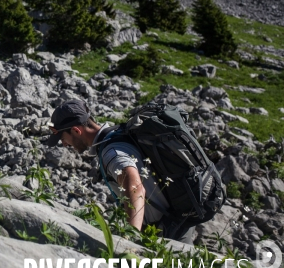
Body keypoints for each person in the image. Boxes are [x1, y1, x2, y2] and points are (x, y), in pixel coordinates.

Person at [47, 99, 194, 244]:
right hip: (177, 220)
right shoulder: (117, 134)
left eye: (62, 138)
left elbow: (135, 188)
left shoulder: (111, 152)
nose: (64, 144)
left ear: (76, 130)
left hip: (168, 232)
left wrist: (130, 240)